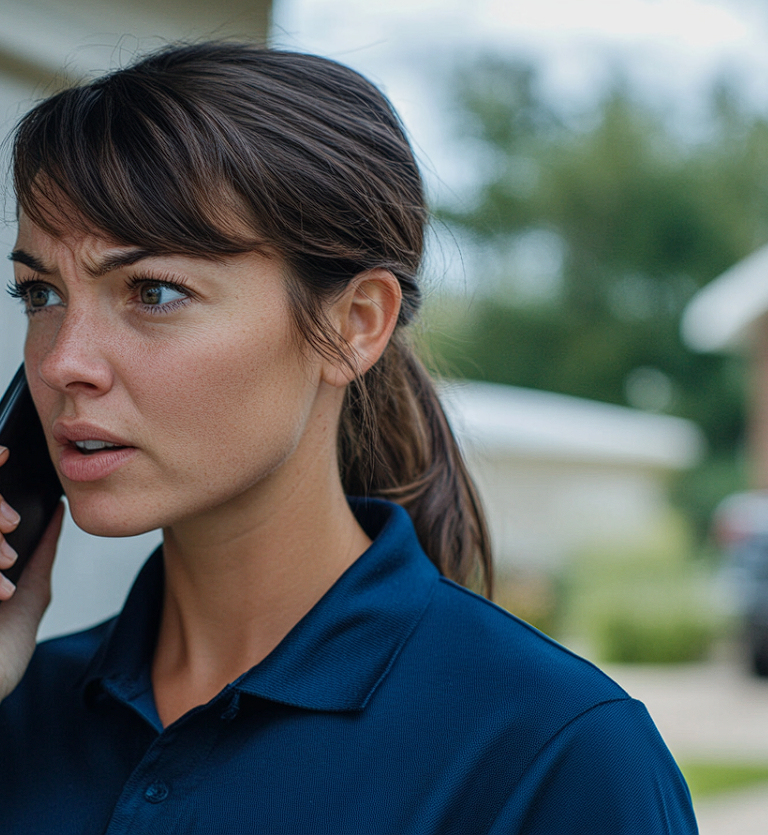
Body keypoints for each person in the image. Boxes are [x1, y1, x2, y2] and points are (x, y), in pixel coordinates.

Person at [0, 42, 697, 833]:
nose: (63, 363)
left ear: (354, 324)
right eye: (41, 292)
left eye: (153, 291)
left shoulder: (552, 751)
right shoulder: (20, 704)